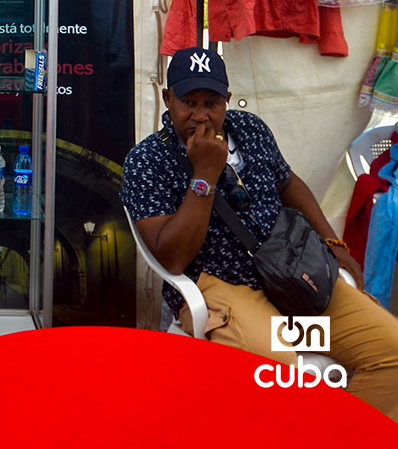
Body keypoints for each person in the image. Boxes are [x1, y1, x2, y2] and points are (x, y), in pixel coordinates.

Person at [122, 47, 398, 420]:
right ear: (167, 98)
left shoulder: (249, 129)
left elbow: (289, 183)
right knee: (275, 372)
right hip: (220, 286)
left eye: (212, 103)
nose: (201, 115)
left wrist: (332, 242)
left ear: (227, 100)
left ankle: (341, 435)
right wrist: (204, 175)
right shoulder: (147, 161)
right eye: (188, 102)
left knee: (391, 351)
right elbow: (171, 257)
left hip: (291, 276)